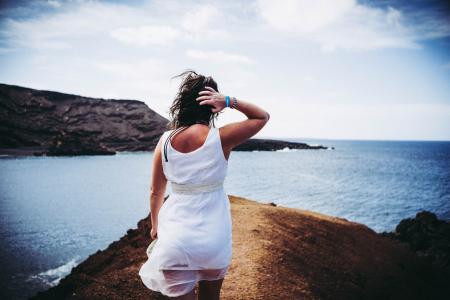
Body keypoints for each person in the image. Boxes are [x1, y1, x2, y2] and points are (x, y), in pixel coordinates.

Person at [139, 70, 270, 300]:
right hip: (213, 241)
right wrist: (229, 101)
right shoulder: (221, 138)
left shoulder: (165, 141)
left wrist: (155, 225)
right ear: (212, 105)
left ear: (183, 103)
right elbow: (262, 117)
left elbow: (155, 191)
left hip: (175, 240)